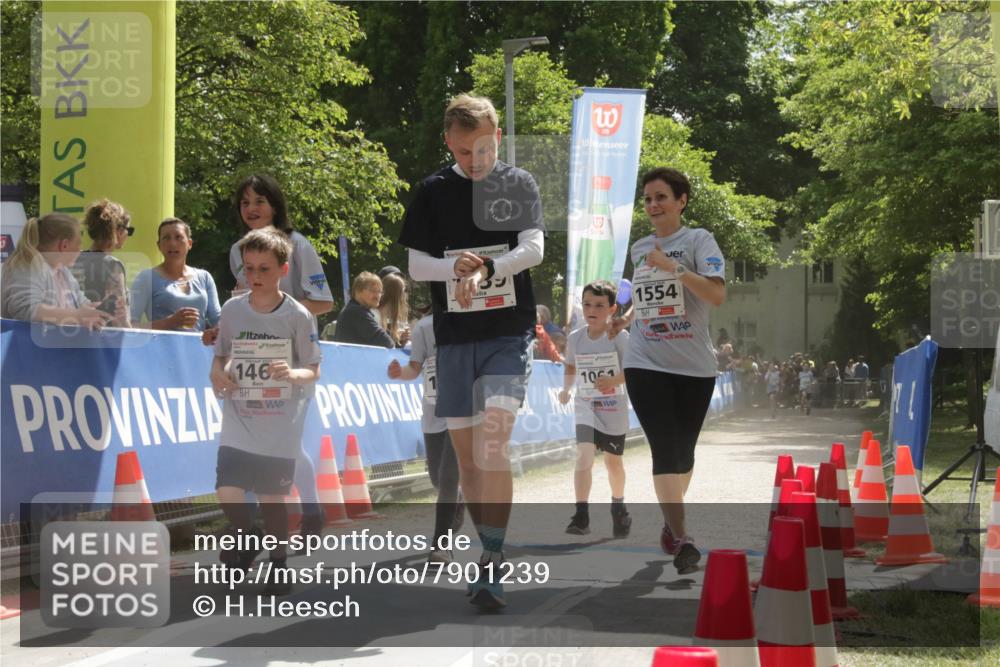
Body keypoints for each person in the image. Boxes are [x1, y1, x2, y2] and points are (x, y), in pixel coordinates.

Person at [399, 93, 544, 609]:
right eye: (463, 153)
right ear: (449, 145)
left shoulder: (518, 183)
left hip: (508, 333)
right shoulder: (433, 191)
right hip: (454, 340)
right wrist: (454, 267)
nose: (474, 161)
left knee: (493, 446)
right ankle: (489, 551)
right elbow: (417, 265)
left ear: (497, 137)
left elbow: (534, 247)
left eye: (482, 150)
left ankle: (494, 561)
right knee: (467, 462)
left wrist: (487, 268)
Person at [610, 167, 726, 575]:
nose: (653, 205)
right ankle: (683, 538)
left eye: (661, 197)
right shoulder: (640, 246)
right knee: (663, 448)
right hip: (646, 360)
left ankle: (669, 521)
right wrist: (625, 320)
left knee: (684, 455)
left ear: (682, 201)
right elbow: (648, 298)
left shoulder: (699, 240)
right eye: (647, 199)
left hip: (694, 365)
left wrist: (672, 267)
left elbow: (716, 295)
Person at [209, 227, 321, 595]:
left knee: (272, 498)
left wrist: (291, 373)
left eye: (264, 270)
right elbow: (222, 354)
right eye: (249, 269)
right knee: (227, 490)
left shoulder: (299, 316)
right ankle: (248, 532)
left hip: (279, 423)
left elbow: (314, 369)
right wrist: (217, 373)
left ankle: (278, 563)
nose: (255, 278)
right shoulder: (231, 310)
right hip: (240, 417)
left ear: (283, 270)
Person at [228, 174, 335, 535]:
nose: (251, 209)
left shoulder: (298, 245)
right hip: (250, 362)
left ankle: (308, 512)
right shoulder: (237, 250)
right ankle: (264, 522)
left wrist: (279, 312)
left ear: (275, 204)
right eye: (245, 203)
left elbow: (324, 301)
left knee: (284, 442)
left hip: (294, 362)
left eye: (259, 201)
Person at [387, 311, 464, 562]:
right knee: (437, 479)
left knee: (448, 477)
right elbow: (414, 367)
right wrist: (401, 372)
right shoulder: (424, 326)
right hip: (433, 412)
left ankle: (441, 545)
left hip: (463, 410)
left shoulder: (471, 319)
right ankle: (458, 500)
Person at [559, 280, 631, 538]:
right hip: (585, 406)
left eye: (599, 305)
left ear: (612, 309)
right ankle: (581, 515)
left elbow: (632, 371)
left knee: (613, 463)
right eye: (587, 304)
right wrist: (567, 389)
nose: (592, 309)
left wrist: (612, 381)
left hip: (613, 408)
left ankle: (618, 506)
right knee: (584, 457)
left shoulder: (620, 337)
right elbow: (570, 366)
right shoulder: (576, 338)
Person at [1, 213, 115, 329]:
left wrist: (101, 309)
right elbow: (24, 309)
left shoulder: (63, 272)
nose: (79, 251)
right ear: (64, 245)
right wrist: (77, 316)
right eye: (78, 245)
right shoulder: (28, 265)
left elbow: (81, 305)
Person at [131, 218, 221, 332]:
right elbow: (129, 326)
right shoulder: (146, 278)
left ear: (189, 243)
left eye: (178, 237)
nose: (172, 243)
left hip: (198, 349)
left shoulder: (204, 277)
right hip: (160, 349)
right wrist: (168, 322)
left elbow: (217, 319)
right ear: (159, 245)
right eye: (166, 238)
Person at [72, 199, 133, 328]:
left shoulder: (72, 258)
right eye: (129, 230)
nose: (128, 234)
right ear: (119, 230)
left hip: (68, 333)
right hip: (101, 338)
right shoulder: (113, 265)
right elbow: (119, 320)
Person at [333, 272, 398, 348]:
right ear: (358, 291)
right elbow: (387, 343)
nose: (377, 296)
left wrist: (399, 339)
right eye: (373, 290)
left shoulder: (354, 309)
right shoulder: (357, 312)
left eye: (380, 292)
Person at [378, 272, 412, 347]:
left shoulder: (400, 310)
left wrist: (404, 338)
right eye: (403, 291)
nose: (404, 294)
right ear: (395, 293)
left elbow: (401, 339)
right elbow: (379, 339)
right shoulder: (377, 312)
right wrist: (398, 337)